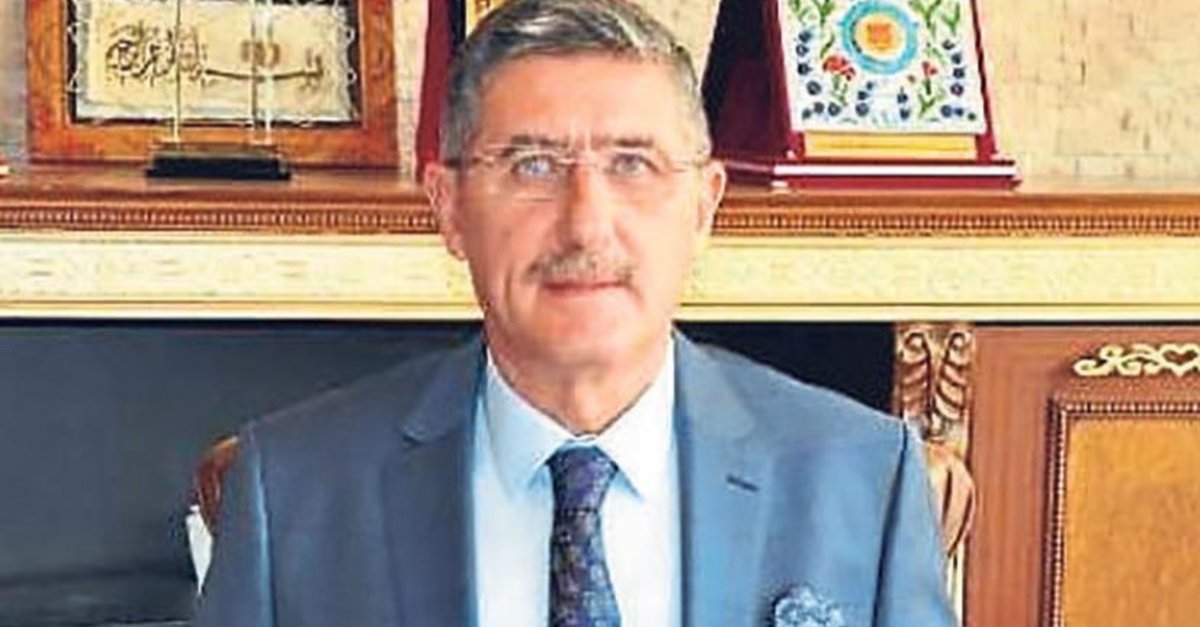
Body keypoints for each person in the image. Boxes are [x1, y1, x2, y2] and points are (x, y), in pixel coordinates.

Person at [192, 1, 955, 626]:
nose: (586, 225)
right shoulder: (296, 488)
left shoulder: (862, 478)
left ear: (703, 206)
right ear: (449, 207)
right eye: (532, 165)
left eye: (633, 164)